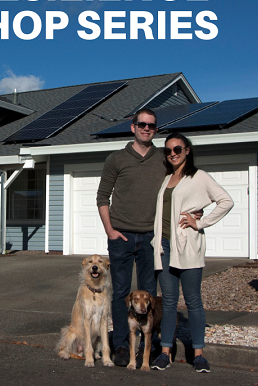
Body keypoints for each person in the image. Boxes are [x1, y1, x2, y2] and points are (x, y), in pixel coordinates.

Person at [150, 133, 234, 373]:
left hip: (187, 247)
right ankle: (165, 352)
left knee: (193, 301)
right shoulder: (167, 178)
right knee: (167, 302)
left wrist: (200, 222)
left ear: (187, 150)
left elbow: (226, 201)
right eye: (168, 150)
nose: (173, 153)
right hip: (165, 247)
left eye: (177, 149)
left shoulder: (199, 177)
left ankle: (198, 355)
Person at [96, 108, 166, 366]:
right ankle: (123, 345)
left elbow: (181, 182)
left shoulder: (163, 158)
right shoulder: (116, 159)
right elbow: (102, 196)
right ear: (132, 127)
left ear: (156, 129)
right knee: (121, 293)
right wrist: (110, 230)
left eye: (152, 125)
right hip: (121, 236)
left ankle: (150, 340)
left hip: (150, 237)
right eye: (142, 124)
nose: (147, 128)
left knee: (149, 293)